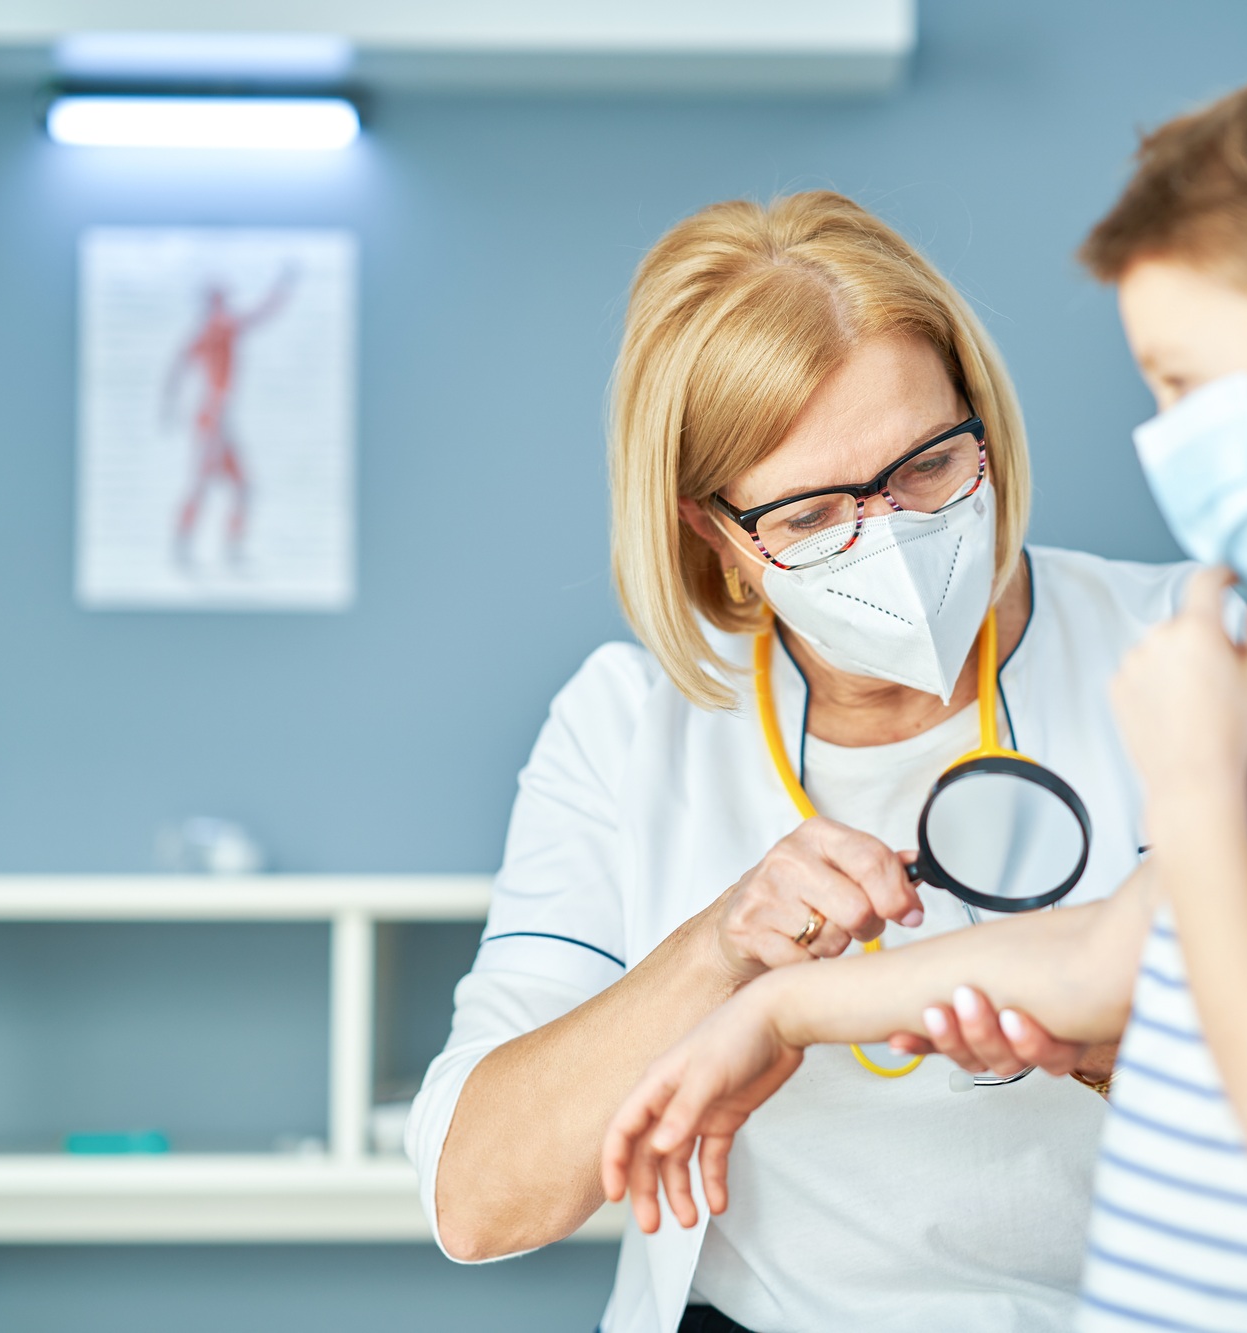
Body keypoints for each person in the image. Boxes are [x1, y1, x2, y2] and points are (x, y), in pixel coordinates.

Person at [601, 33, 1247, 1333]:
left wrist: (1200, 785)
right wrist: (785, 1012)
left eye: (1189, 385)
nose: (1166, 437)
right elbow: (1112, 950)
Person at [407, 191, 1194, 1333]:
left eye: (927, 467)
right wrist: (718, 953)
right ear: (716, 534)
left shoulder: (1189, 649)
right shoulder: (633, 724)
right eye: (816, 514)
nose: (891, 536)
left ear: (982, 422)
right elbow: (478, 1201)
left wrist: (1110, 1045)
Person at [161, 267, 295, 564]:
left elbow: (177, 367)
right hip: (213, 418)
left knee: (241, 487)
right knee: (203, 483)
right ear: (215, 301)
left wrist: (169, 405)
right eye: (222, 299)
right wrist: (282, 289)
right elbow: (259, 314)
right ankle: (183, 544)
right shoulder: (220, 327)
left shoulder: (205, 332)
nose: (227, 305)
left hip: (219, 418)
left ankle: (229, 548)